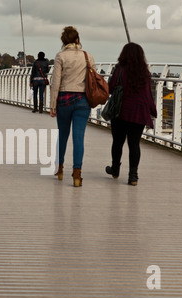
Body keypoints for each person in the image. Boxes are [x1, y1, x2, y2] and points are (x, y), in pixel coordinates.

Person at [105, 42, 157, 186]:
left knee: (118, 142)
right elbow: (148, 94)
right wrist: (152, 110)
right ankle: (133, 176)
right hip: (139, 112)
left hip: (121, 111)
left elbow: (110, 88)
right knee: (134, 144)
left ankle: (115, 169)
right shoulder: (144, 72)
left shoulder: (119, 69)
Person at [50, 26, 95, 187]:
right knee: (78, 138)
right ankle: (77, 174)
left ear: (64, 42)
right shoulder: (88, 56)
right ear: (77, 40)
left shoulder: (60, 56)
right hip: (83, 101)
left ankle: (60, 168)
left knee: (63, 135)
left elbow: (55, 82)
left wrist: (53, 104)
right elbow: (93, 80)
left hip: (63, 100)